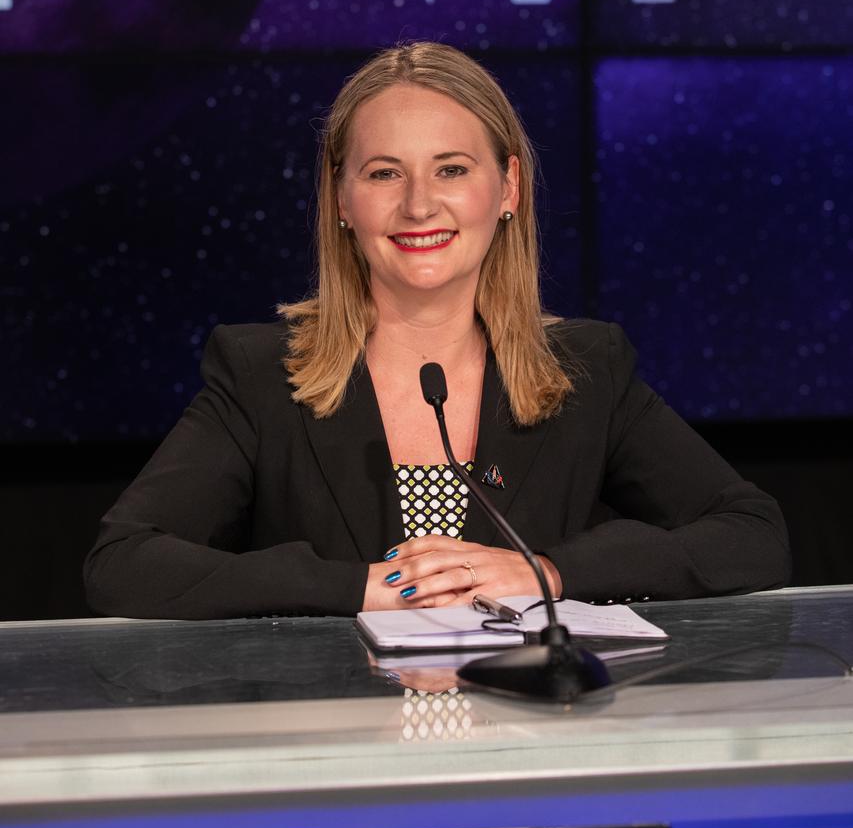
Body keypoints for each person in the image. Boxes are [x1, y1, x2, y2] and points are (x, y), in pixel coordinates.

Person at [84, 43, 790, 619]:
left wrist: (543, 571)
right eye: (384, 173)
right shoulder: (258, 372)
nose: (419, 205)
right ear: (340, 198)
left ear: (507, 188)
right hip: (333, 759)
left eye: (451, 169)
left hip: (529, 753)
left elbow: (750, 535)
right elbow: (125, 562)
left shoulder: (585, 367)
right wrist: (363, 589)